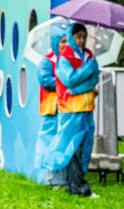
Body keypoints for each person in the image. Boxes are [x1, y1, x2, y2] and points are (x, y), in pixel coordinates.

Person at [45, 23, 100, 197]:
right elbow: (70, 79)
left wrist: (77, 89)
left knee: (84, 146)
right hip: (70, 109)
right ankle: (78, 186)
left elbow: (93, 80)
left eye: (84, 36)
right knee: (72, 147)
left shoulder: (88, 55)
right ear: (72, 37)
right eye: (78, 37)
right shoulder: (65, 57)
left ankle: (74, 183)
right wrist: (89, 68)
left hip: (86, 108)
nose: (82, 40)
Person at [34, 23, 68, 186]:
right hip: (52, 108)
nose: (65, 45)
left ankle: (63, 177)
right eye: (62, 41)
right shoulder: (47, 62)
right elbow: (46, 81)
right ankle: (49, 177)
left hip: (67, 107)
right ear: (55, 42)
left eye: (68, 41)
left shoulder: (70, 61)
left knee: (63, 142)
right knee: (49, 142)